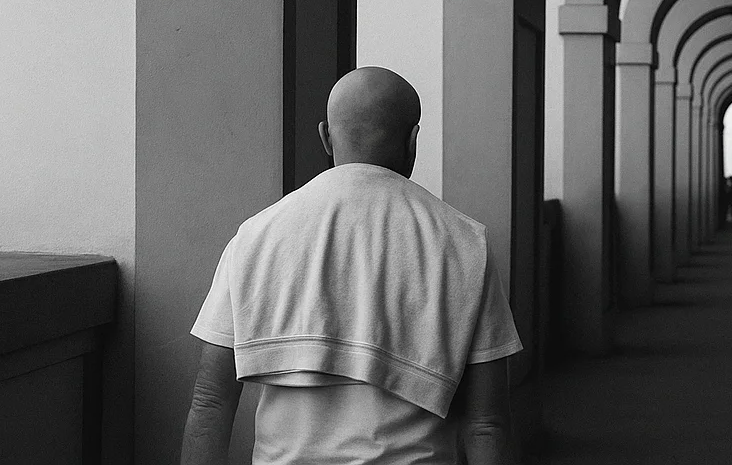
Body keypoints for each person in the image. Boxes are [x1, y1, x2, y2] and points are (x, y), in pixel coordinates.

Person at [180, 66, 522, 465]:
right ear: (413, 140)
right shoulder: (465, 243)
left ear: (326, 136)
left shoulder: (255, 236)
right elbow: (486, 425)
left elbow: (210, 405)